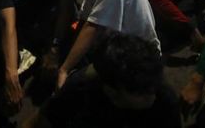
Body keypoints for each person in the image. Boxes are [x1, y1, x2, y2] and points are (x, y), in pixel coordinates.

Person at [29, 33, 181, 128]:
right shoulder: (80, 88)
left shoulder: (163, 99)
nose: (152, 94)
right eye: (142, 92)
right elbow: (42, 121)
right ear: (112, 91)